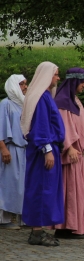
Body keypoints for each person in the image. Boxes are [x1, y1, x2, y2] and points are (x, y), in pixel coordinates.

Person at [20, 62, 64, 246]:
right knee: (41, 188)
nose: (58, 78)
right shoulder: (41, 99)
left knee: (44, 188)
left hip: (47, 148)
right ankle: (37, 232)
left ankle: (39, 229)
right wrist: (47, 150)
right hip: (43, 150)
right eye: (56, 74)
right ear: (47, 75)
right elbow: (41, 126)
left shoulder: (44, 97)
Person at [53, 68, 84, 239]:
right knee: (69, 191)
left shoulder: (74, 100)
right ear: (74, 81)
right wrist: (69, 147)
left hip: (77, 154)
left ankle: (79, 226)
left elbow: (80, 125)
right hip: (69, 154)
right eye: (83, 82)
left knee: (79, 191)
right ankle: (65, 227)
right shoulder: (62, 102)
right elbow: (62, 127)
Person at [0, 75, 28, 229]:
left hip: (24, 149)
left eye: (25, 84)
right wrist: (3, 148)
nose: (25, 87)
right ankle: (3, 219)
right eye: (21, 84)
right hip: (10, 148)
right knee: (8, 183)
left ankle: (24, 219)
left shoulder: (24, 105)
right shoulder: (6, 104)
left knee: (23, 185)